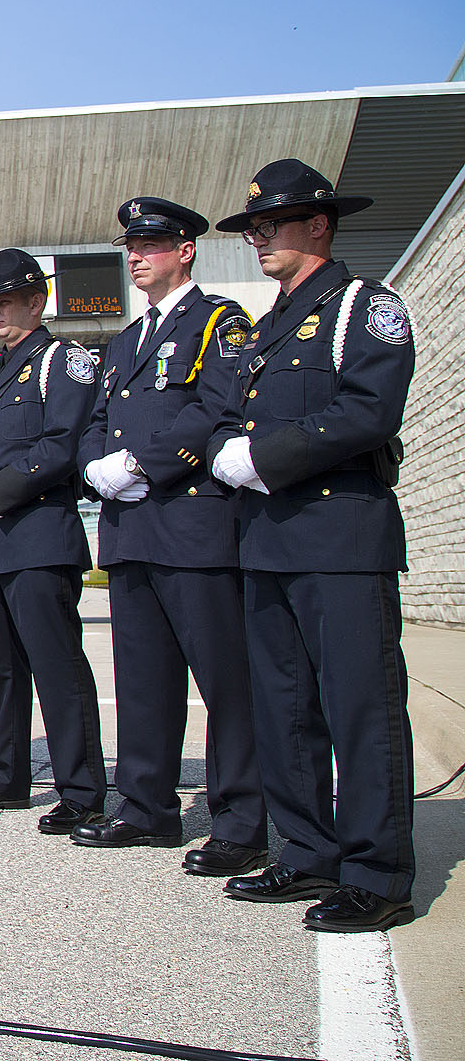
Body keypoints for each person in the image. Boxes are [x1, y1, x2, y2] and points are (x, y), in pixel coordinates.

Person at [206, 159, 418, 933]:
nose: (259, 237)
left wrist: (266, 454)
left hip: (339, 537)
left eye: (273, 224)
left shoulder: (365, 307)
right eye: (254, 226)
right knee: (285, 707)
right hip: (269, 540)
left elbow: (368, 410)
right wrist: (232, 447)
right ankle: (306, 850)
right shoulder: (265, 325)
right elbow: (230, 412)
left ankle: (376, 872)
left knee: (358, 707)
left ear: (320, 224)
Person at [72, 198, 266, 874]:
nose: (136, 257)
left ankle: (242, 820)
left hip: (193, 528)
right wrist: (96, 465)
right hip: (130, 532)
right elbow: (96, 418)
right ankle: (147, 809)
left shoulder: (221, 322)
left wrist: (139, 464)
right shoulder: (125, 341)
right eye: (131, 246)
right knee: (144, 682)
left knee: (226, 683)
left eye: (150, 244)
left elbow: (219, 407)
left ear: (185, 250)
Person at [0, 248, 108, 834]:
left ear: (38, 302)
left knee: (57, 667)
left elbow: (63, 445)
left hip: (39, 538)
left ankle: (82, 790)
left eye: (6, 301)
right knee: (5, 671)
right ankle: (6, 774)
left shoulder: (64, 361)